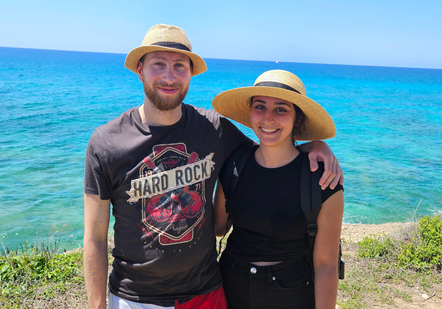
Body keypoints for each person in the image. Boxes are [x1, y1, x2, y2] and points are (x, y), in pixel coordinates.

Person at [83, 24, 343, 309]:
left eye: (180, 66)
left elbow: (270, 146)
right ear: (140, 70)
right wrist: (97, 305)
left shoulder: (214, 129)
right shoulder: (106, 143)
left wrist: (314, 145)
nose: (170, 77)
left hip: (206, 291)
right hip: (136, 297)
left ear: (190, 74)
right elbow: (95, 237)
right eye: (159, 64)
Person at [212, 69, 345, 309]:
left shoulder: (323, 179)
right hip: (231, 286)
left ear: (298, 119)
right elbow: (219, 227)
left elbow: (326, 264)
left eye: (281, 109)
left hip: (292, 294)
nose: (268, 118)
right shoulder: (233, 164)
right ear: (250, 112)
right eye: (260, 107)